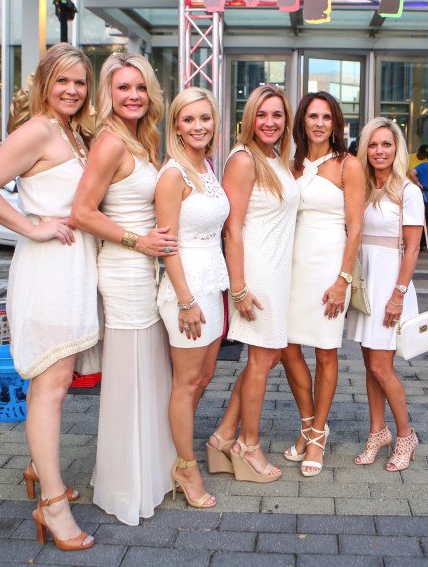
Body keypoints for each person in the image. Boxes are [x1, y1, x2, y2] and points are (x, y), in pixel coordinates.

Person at [0, 43, 100, 552]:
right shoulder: (38, 130)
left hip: (72, 267)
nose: (72, 90)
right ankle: (52, 504)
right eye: (62, 80)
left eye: (80, 81)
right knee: (51, 386)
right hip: (48, 269)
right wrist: (31, 227)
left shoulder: (72, 132)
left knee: (58, 382)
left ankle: (39, 469)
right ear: (44, 82)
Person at [68, 52, 177, 525]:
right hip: (124, 270)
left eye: (140, 87)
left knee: (148, 371)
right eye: (123, 88)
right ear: (108, 94)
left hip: (144, 270)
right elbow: (82, 212)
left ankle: (151, 474)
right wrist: (139, 240)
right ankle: (125, 485)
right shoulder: (110, 142)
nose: (133, 96)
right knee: (130, 377)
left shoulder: (141, 138)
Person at [206, 84, 299, 483]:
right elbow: (232, 229)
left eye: (277, 115)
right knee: (262, 360)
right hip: (256, 273)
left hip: (277, 273)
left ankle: (223, 436)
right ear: (249, 118)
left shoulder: (276, 157)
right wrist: (239, 287)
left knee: (269, 357)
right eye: (262, 114)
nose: (269, 122)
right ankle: (248, 445)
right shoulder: (243, 159)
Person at [280, 92, 365, 477]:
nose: (319, 123)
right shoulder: (290, 165)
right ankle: (308, 423)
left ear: (336, 124)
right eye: (312, 116)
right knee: (287, 349)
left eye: (326, 117)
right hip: (291, 268)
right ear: (302, 120)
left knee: (326, 352)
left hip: (329, 268)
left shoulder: (349, 165)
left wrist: (343, 279)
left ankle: (317, 436)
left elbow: (355, 227)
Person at [154, 87, 229, 508]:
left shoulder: (207, 167)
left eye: (205, 118)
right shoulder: (173, 175)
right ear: (177, 127)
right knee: (185, 383)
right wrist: (185, 301)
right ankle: (185, 466)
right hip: (187, 292)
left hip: (211, 285)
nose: (198, 126)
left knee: (204, 377)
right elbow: (168, 244)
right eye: (188, 119)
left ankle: (174, 448)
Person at [347, 117, 422, 472]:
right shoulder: (362, 186)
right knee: (370, 364)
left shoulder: (408, 191)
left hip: (391, 284)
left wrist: (398, 295)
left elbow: (412, 249)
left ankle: (406, 435)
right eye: (373, 145)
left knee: (381, 365)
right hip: (366, 283)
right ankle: (378, 432)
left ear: (397, 149)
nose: (379, 151)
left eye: (386, 145)